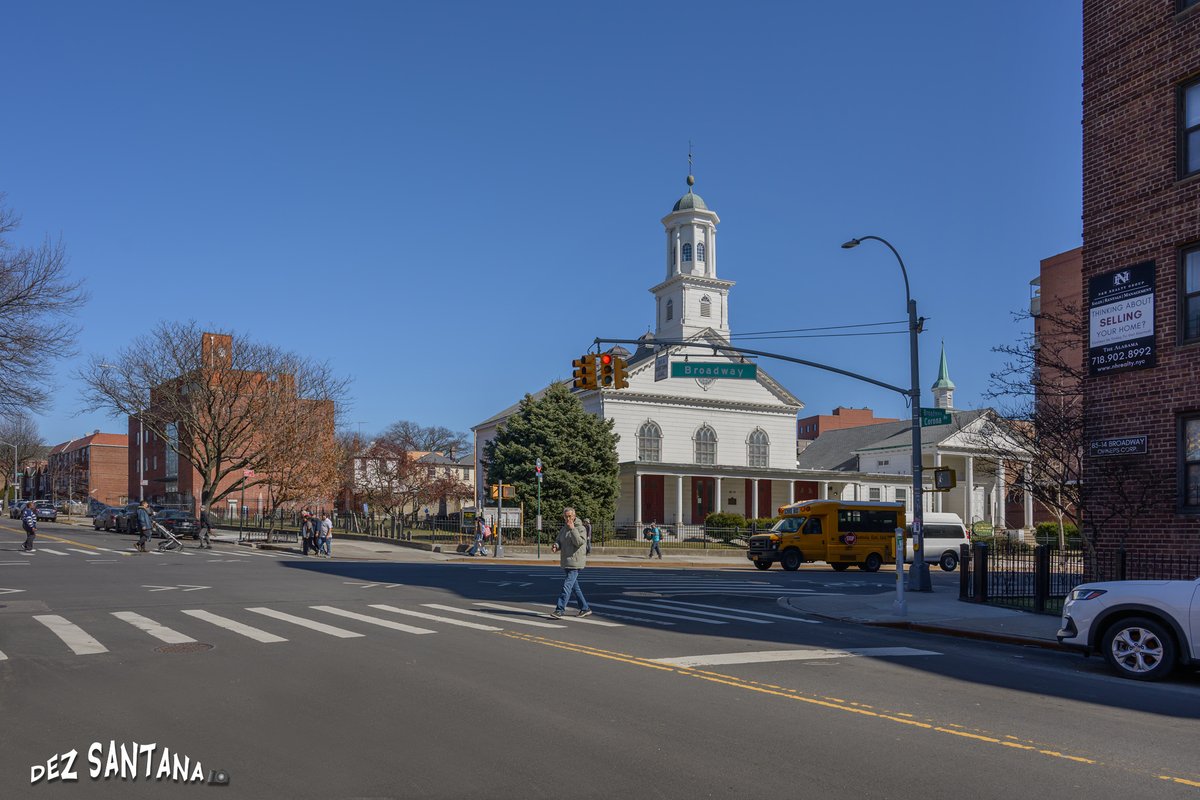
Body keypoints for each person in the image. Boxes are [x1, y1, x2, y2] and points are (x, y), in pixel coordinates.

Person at [550, 506, 591, 619]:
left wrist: (572, 529)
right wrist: (556, 546)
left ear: (574, 516)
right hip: (566, 561)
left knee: (567, 586)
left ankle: (560, 609)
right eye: (566, 516)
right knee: (574, 587)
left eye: (570, 516)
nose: (568, 519)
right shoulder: (564, 529)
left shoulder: (581, 528)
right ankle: (585, 608)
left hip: (575, 562)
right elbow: (559, 540)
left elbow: (579, 542)